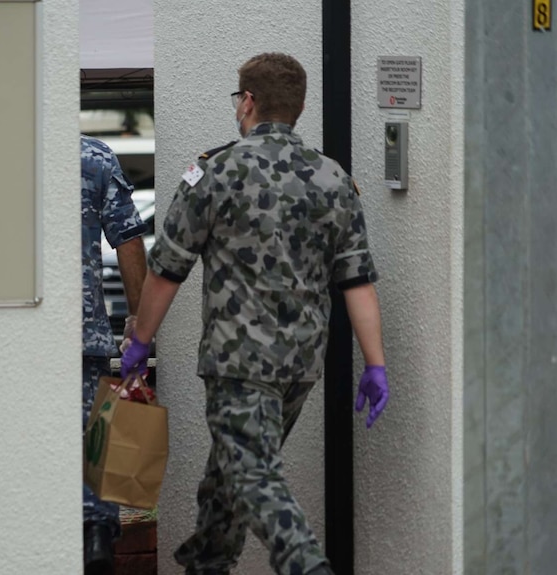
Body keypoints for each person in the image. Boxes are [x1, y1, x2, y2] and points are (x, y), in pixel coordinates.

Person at [120, 53, 389, 575]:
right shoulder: (334, 180)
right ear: (300, 107)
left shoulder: (216, 172)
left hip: (238, 362)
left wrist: (140, 339)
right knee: (230, 476)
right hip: (299, 368)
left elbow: (168, 268)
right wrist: (375, 364)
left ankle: (307, 565)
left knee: (254, 475)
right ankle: (207, 563)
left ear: (247, 101)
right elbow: (356, 280)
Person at [80, 134, 148, 575]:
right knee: (93, 446)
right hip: (82, 335)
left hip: (6, 335)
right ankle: (97, 536)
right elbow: (128, 242)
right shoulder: (93, 156)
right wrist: (139, 329)